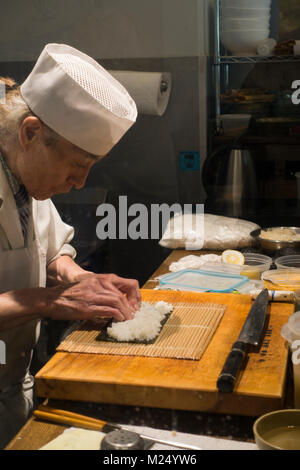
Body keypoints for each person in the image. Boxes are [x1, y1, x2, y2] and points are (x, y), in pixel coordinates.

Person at [0, 43, 141, 449]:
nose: (79, 183)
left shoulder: (24, 171)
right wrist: (48, 300)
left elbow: (50, 250)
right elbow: (42, 293)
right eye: (77, 164)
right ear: (30, 132)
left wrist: (81, 280)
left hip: (13, 389)